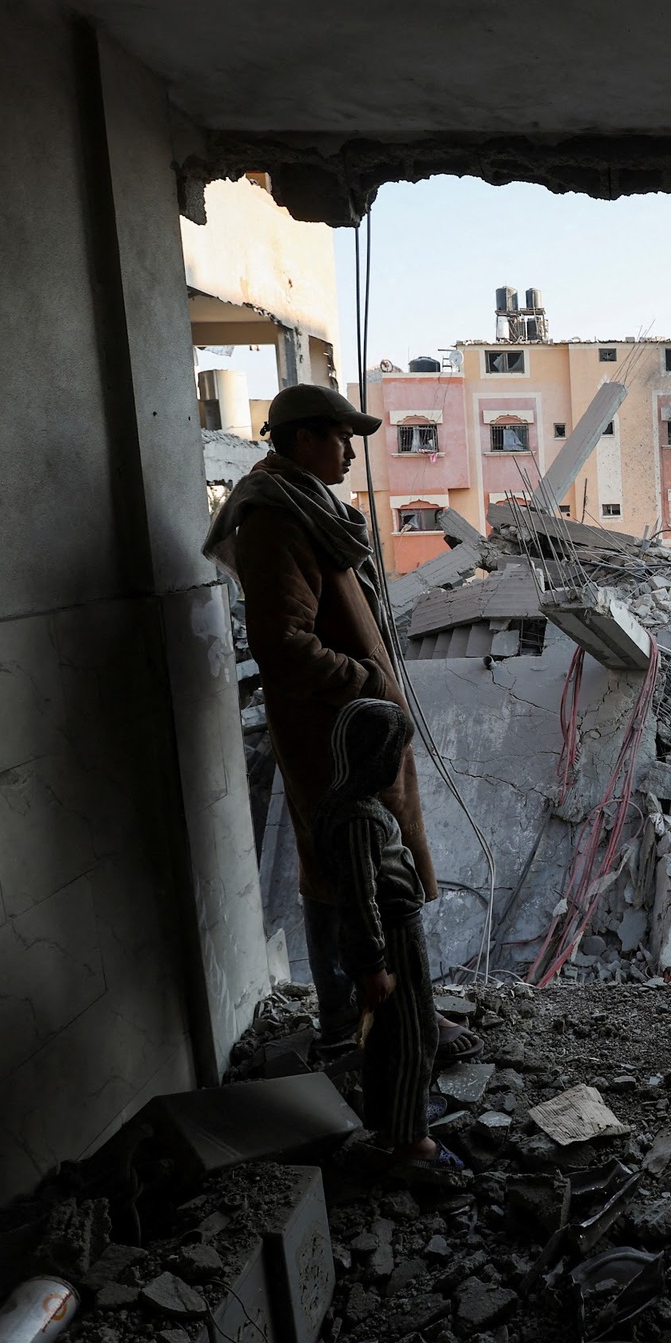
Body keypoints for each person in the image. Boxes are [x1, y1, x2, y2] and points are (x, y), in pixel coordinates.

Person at [200, 384, 480, 1064]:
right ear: (301, 439)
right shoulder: (275, 521)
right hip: (336, 738)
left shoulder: (310, 507)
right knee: (364, 877)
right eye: (339, 437)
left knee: (368, 871)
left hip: (356, 728)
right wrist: (370, 684)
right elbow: (284, 642)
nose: (350, 451)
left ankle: (381, 1016)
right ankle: (378, 1025)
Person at [306, 698, 458, 1171]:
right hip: (393, 937)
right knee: (417, 1034)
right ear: (377, 755)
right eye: (394, 752)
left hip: (388, 935)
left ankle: (395, 1116)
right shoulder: (360, 818)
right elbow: (359, 897)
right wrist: (373, 966)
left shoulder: (340, 805)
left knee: (390, 1035)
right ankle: (413, 1142)